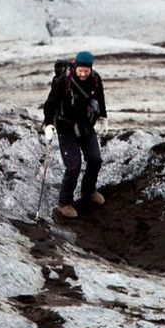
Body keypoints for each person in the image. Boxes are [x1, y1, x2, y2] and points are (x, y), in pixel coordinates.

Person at [42, 50, 107, 219]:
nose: (84, 74)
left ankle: (89, 191)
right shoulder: (63, 81)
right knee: (74, 166)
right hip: (66, 128)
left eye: (87, 71)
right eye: (81, 71)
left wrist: (103, 118)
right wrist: (48, 124)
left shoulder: (95, 79)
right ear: (76, 67)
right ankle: (64, 203)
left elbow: (100, 98)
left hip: (85, 126)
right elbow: (50, 105)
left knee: (95, 159)